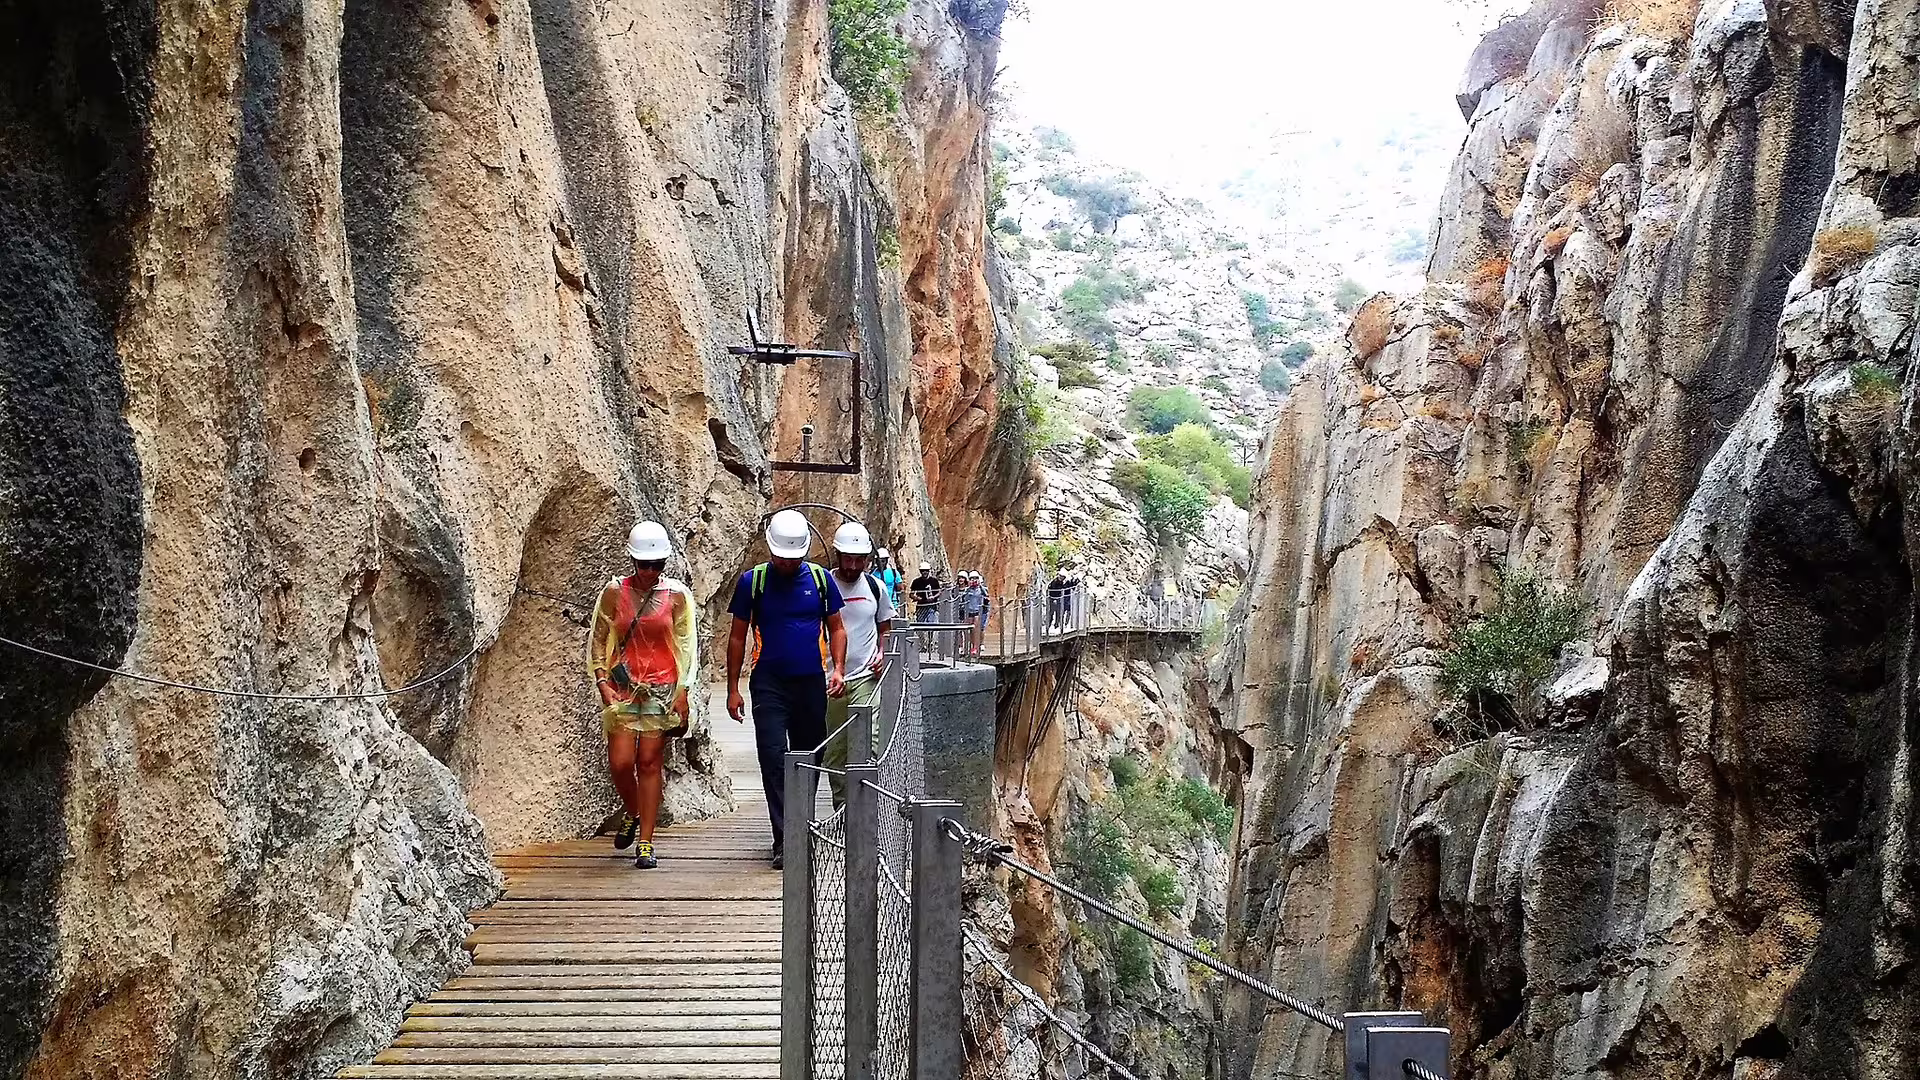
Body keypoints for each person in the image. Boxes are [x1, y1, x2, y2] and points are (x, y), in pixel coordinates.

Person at [726, 509, 848, 868]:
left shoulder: (821, 580)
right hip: (769, 683)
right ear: (771, 551)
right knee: (772, 754)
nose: (787, 564)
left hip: (811, 681)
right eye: (782, 557)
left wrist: (837, 668)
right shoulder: (754, 581)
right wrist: (733, 688)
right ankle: (785, 838)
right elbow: (736, 636)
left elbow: (836, 628)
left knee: (811, 755)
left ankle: (802, 825)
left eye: (794, 558)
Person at [588, 521, 697, 870]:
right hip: (623, 685)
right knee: (620, 763)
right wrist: (602, 680)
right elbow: (598, 636)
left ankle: (646, 843)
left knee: (649, 763)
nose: (651, 571)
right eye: (644, 564)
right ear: (633, 562)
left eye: (657, 565)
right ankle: (632, 811)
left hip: (661, 686)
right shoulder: (614, 592)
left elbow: (687, 644)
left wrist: (684, 690)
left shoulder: (677, 596)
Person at [819, 522, 897, 805]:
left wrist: (882, 652)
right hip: (830, 682)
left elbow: (885, 627)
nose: (852, 566)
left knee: (869, 743)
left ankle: (866, 806)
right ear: (838, 555)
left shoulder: (875, 587)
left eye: (858, 560)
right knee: (836, 751)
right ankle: (843, 808)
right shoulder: (823, 585)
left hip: (866, 677)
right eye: (847, 559)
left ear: (867, 560)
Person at [957, 571, 985, 656]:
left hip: (977, 612)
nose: (974, 580)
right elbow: (963, 597)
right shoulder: (968, 589)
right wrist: (969, 587)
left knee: (975, 631)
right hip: (969, 611)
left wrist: (979, 585)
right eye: (972, 579)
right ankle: (967, 647)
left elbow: (986, 594)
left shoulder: (980, 589)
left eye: (975, 578)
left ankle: (975, 647)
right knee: (968, 631)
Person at [875, 547, 904, 611]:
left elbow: (900, 588)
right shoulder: (873, 574)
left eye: (882, 561)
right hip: (877, 607)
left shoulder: (894, 573)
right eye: (878, 561)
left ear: (886, 561)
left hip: (892, 606)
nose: (880, 563)